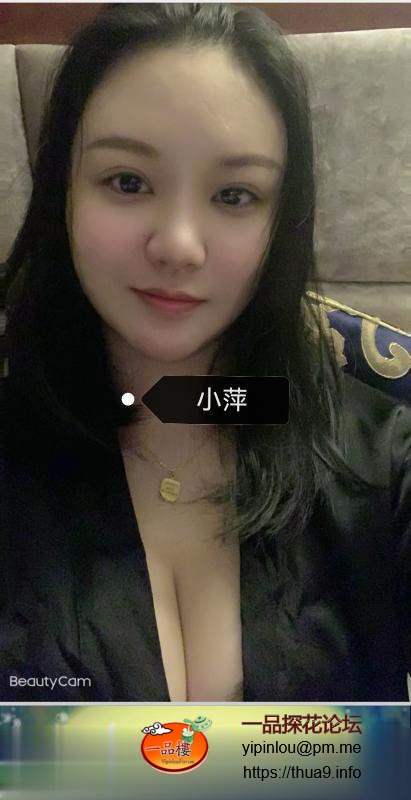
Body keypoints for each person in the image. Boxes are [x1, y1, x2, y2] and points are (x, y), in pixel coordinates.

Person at [1, 3, 410, 703]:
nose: (178, 245)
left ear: (281, 219)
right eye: (128, 182)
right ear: (62, 189)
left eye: (233, 194)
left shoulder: (381, 459)